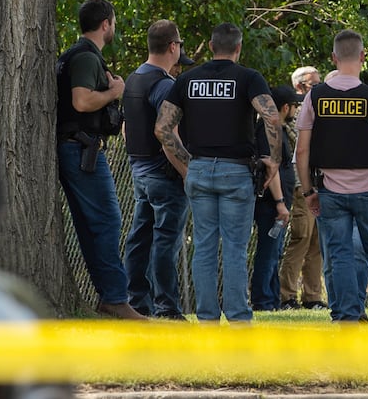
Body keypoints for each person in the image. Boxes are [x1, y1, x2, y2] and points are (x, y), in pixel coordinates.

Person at [155, 22, 281, 323]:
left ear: (211, 47)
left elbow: (162, 128)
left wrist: (189, 161)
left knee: (204, 247)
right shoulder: (248, 78)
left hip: (199, 169)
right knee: (235, 248)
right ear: (238, 48)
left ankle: (208, 319)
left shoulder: (187, 79)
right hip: (236, 172)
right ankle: (238, 320)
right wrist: (273, 160)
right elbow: (272, 118)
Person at [295, 29, 368, 322]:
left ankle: (346, 319)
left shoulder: (315, 97)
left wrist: (308, 192)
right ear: (362, 57)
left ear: (334, 58)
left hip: (331, 192)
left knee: (340, 256)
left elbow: (302, 151)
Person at [56, 0, 146, 320]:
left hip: (76, 148)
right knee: (107, 220)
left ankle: (109, 296)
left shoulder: (77, 55)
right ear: (105, 23)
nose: (114, 27)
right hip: (82, 150)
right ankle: (115, 298)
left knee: (90, 224)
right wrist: (114, 92)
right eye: (114, 22)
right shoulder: (85, 57)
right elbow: (81, 101)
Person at [122, 20, 195, 320]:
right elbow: (166, 133)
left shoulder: (133, 79)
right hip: (164, 174)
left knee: (140, 237)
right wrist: (188, 172)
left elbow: (127, 128)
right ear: (173, 47)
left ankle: (136, 300)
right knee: (166, 239)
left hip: (139, 171)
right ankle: (167, 307)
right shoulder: (165, 84)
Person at [279, 66, 328, 310]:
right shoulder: (294, 115)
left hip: (322, 185)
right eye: (314, 85)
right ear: (300, 87)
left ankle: (313, 297)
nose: (319, 89)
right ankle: (287, 296)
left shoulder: (318, 112)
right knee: (301, 238)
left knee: (317, 243)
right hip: (301, 188)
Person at [250, 85, 301, 311]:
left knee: (275, 250)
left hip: (278, 203)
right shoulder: (269, 130)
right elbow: (273, 169)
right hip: (271, 204)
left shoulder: (278, 129)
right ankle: (262, 300)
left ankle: (272, 298)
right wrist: (280, 203)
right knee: (268, 250)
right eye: (294, 106)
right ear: (285, 107)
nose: (296, 110)